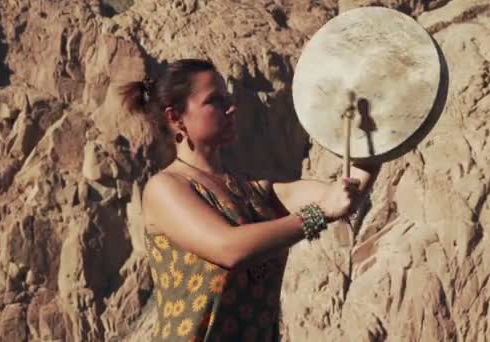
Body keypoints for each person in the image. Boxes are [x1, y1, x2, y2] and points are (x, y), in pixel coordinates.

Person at [120, 59, 380, 342]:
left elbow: (341, 196)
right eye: (215, 101)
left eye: (229, 98)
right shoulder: (166, 188)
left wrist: (377, 131)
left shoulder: (253, 191)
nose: (231, 108)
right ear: (175, 117)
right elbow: (228, 247)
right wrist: (318, 214)